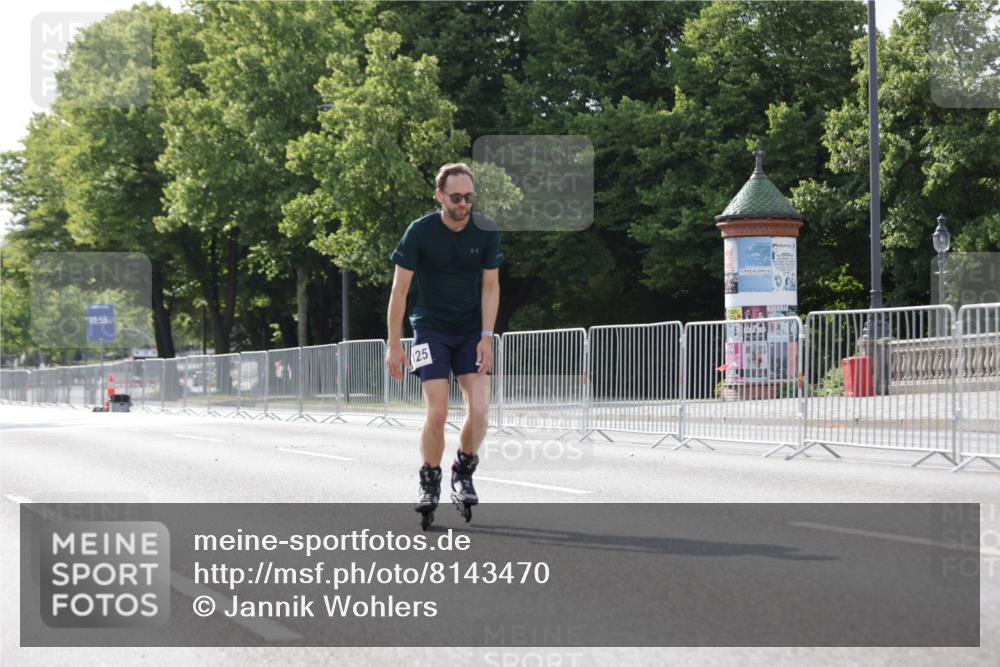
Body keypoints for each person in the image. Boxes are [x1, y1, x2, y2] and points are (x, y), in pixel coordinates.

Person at [385, 163, 502, 522]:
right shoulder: (420, 232)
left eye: (469, 196)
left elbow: (490, 286)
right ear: (440, 196)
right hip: (430, 328)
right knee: (437, 411)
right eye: (456, 197)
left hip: (470, 330)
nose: (464, 203)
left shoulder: (485, 231)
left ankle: (463, 471)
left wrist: (486, 336)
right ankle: (429, 479)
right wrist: (394, 343)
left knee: (480, 410)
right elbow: (400, 290)